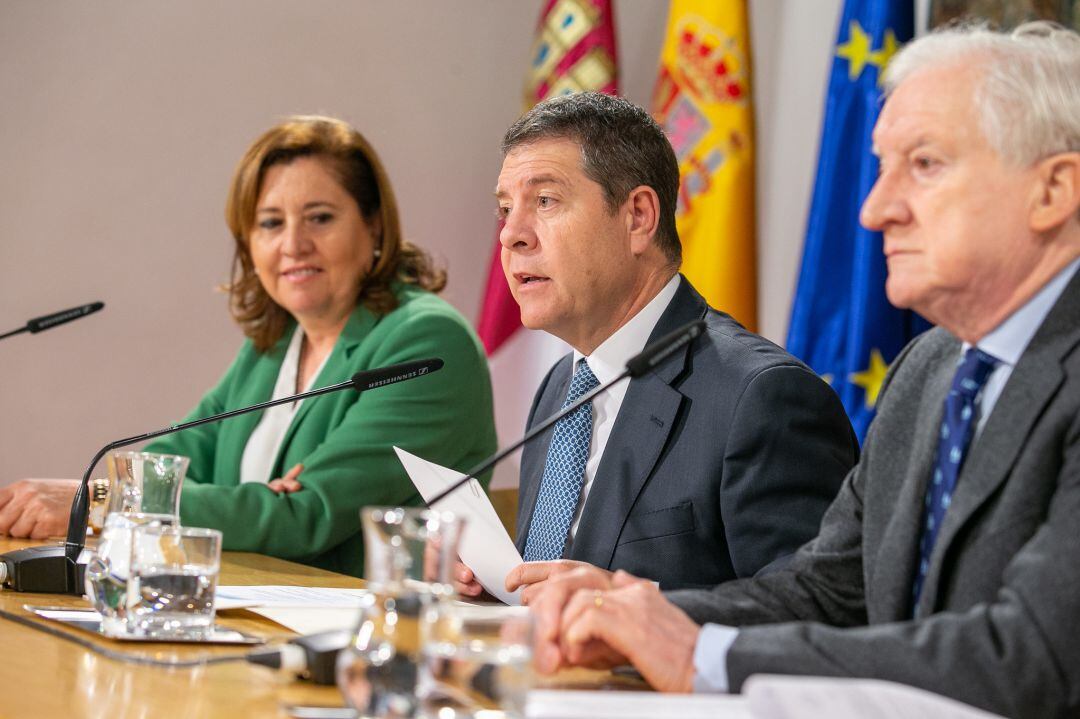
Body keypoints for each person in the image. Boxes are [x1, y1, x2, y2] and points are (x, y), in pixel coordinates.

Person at [526, 22, 1080, 719]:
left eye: (926, 164)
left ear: (1054, 190)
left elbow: (1035, 658)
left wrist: (703, 654)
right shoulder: (930, 366)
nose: (876, 210)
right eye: (880, 168)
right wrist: (631, 614)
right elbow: (828, 591)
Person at [0, 116, 497, 578]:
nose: (293, 244)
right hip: (249, 618)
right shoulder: (276, 343)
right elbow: (165, 467)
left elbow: (305, 518)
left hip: (365, 639)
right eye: (270, 223)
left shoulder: (426, 342)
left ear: (375, 226)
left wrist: (103, 501)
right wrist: (252, 502)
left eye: (319, 218)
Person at [456, 92, 858, 599]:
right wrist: (504, 590)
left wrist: (633, 609)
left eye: (545, 201)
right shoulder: (562, 384)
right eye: (506, 210)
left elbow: (816, 607)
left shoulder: (761, 397)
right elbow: (565, 583)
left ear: (639, 217)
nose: (511, 235)